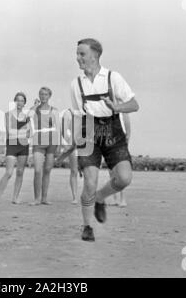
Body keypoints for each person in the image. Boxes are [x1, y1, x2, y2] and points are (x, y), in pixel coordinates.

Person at [70, 38, 139, 241]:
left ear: (95, 55)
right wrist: (75, 139)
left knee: (124, 178)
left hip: (113, 130)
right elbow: (77, 114)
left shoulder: (112, 77)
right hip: (88, 131)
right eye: (77, 54)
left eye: (82, 54)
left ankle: (100, 198)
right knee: (90, 182)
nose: (78, 58)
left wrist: (117, 107)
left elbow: (134, 105)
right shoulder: (75, 84)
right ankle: (87, 226)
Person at [0, 92, 30, 205]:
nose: (19, 102)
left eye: (22, 101)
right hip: (12, 145)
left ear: (24, 103)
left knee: (20, 172)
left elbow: (29, 133)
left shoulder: (27, 117)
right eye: (18, 100)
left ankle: (15, 197)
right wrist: (21, 133)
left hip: (23, 146)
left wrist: (20, 133)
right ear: (15, 101)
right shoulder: (8, 114)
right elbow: (9, 132)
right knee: (9, 172)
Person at [28, 87, 60, 206]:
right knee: (37, 170)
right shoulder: (35, 109)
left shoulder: (54, 110)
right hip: (38, 140)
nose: (43, 96)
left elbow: (58, 128)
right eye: (41, 94)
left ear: (49, 96)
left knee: (47, 170)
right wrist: (35, 106)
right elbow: (27, 116)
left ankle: (44, 198)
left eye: (46, 94)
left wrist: (59, 145)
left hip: (52, 141)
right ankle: (36, 198)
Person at [106, 113, 130, 208]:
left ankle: (122, 199)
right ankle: (115, 199)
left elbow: (128, 133)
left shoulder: (123, 113)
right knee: (111, 172)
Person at [58, 108, 79, 204]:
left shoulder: (89, 110)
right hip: (73, 143)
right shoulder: (68, 113)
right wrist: (71, 144)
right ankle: (75, 197)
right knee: (74, 170)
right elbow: (64, 130)